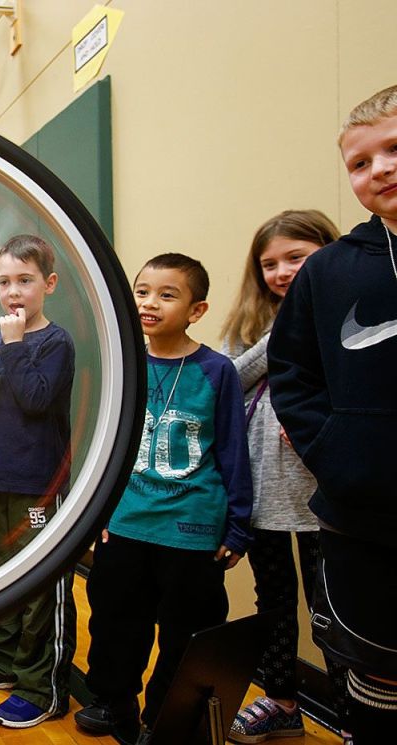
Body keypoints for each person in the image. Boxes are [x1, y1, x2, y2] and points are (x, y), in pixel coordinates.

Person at [75, 253, 253, 745]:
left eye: (167, 294)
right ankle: (112, 702)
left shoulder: (216, 372)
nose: (150, 303)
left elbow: (234, 452)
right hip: (125, 523)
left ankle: (170, 715)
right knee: (115, 624)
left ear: (197, 310)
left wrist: (238, 527)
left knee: (187, 631)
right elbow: (101, 441)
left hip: (192, 529)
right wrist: (96, 511)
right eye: (142, 291)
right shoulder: (122, 363)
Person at [268, 84, 397, 745]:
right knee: (377, 676)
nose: (380, 170)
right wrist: (341, 454)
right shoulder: (330, 272)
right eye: (360, 162)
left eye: (394, 149)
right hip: (362, 523)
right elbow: (292, 376)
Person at [221, 210, 352, 744]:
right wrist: (281, 335)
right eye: (269, 263)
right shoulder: (253, 325)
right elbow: (227, 379)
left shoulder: (351, 313)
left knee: (336, 609)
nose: (281, 272)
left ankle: (354, 714)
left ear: (328, 250)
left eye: (296, 257)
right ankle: (281, 701)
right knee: (273, 601)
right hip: (264, 494)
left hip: (328, 494)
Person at [0, 234, 78, 729]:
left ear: (47, 284)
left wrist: (13, 346)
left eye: (25, 281)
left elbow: (34, 398)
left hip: (37, 485)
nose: (14, 292)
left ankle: (42, 686)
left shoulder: (55, 343)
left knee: (38, 584)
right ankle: (5, 663)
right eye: (5, 281)